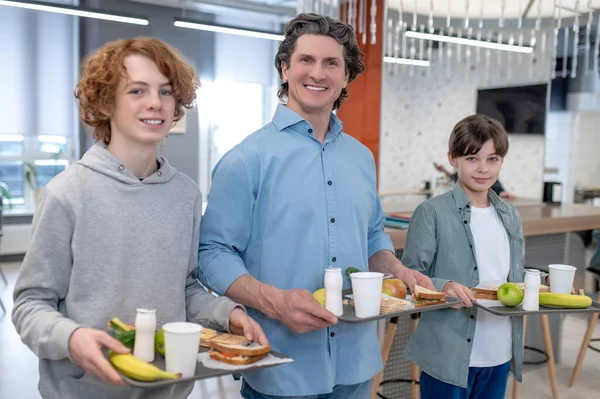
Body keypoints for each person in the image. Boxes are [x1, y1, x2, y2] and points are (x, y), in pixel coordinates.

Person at [12, 37, 266, 399]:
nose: (155, 103)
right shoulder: (67, 193)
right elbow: (30, 304)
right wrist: (71, 337)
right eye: (137, 91)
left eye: (165, 92)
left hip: (168, 388)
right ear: (105, 102)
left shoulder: (185, 195)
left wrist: (229, 313)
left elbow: (186, 287)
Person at [198, 13, 434, 399]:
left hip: (357, 363)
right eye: (306, 60)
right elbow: (212, 252)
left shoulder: (361, 157)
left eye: (331, 63)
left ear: (346, 76)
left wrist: (397, 270)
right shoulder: (247, 159)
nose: (318, 73)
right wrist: (273, 303)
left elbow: (372, 233)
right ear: (285, 68)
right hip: (280, 366)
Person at [402, 115, 545, 398]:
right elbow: (410, 277)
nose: (483, 169)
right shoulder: (431, 213)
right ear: (453, 159)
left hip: (499, 352)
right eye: (472, 158)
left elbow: (511, 277)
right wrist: (444, 286)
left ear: (502, 161)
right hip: (448, 354)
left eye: (492, 159)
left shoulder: (510, 215)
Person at [433, 162, 516, 200]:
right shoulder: (459, 175)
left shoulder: (480, 171)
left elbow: (492, 183)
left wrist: (501, 192)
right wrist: (444, 170)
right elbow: (454, 177)